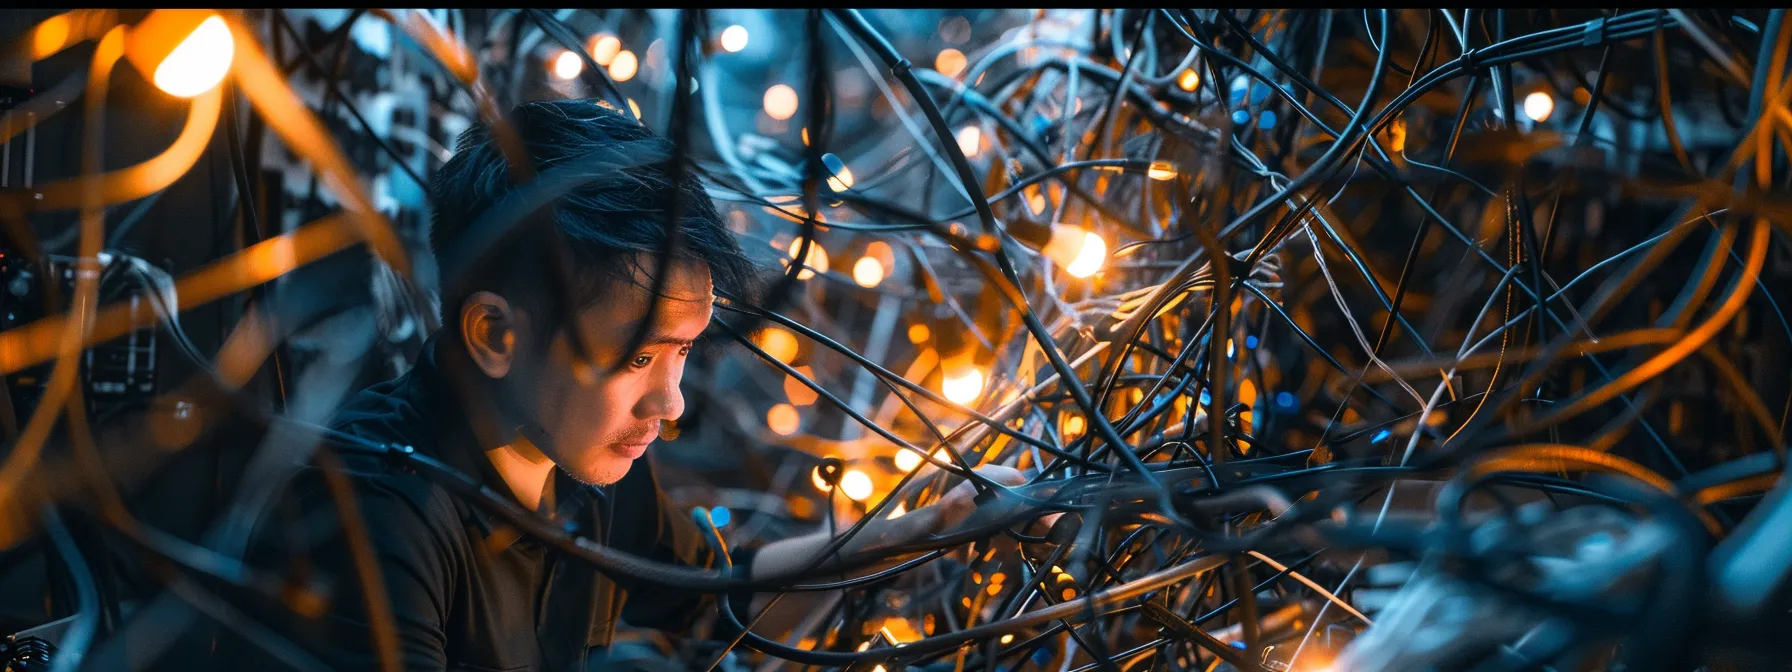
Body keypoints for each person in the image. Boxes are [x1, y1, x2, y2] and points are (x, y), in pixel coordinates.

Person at [211, 98, 1019, 671]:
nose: (669, 406)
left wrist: (921, 531)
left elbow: (718, 601)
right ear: (495, 333)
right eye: (639, 358)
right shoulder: (370, 515)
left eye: (684, 353)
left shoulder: (582, 461)